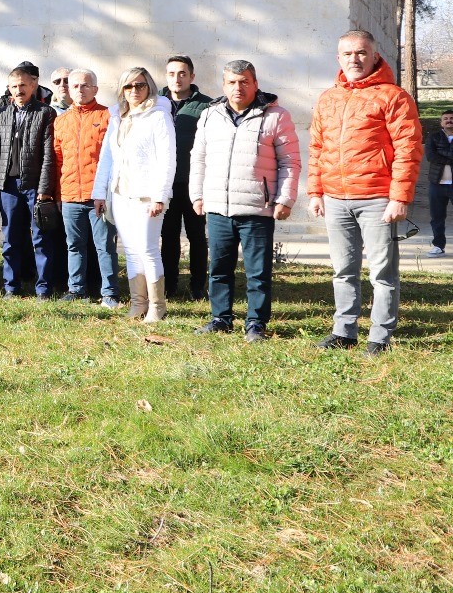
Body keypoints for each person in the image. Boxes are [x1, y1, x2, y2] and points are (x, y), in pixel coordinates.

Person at [309, 29, 422, 354]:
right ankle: (344, 331)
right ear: (339, 58)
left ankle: (379, 337)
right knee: (343, 270)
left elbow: (408, 149)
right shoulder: (328, 98)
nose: (354, 59)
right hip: (335, 199)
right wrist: (316, 191)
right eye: (348, 54)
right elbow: (317, 146)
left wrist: (399, 197)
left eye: (361, 53)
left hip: (377, 200)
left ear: (374, 56)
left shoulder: (394, 97)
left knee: (382, 273)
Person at [189, 60, 301, 342]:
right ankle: (220, 317)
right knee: (219, 269)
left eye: (244, 82)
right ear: (223, 84)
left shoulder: (276, 116)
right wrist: (198, 195)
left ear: (255, 83)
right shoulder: (210, 114)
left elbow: (290, 162)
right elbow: (198, 157)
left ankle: (255, 323)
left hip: (256, 209)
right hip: (218, 208)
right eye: (231, 82)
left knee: (257, 272)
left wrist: (285, 199)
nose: (238, 88)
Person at [93, 67, 176, 323]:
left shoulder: (159, 115)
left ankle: (156, 306)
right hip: (120, 193)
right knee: (130, 250)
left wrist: (159, 196)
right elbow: (107, 157)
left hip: (146, 195)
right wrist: (99, 192)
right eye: (128, 86)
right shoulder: (118, 116)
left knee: (148, 249)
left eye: (139, 85)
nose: (134, 91)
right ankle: (137, 303)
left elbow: (168, 158)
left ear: (149, 86)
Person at [53, 68, 121, 307]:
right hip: (70, 194)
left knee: (104, 246)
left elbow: (113, 158)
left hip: (98, 196)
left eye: (84, 85)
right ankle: (76, 289)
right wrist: (58, 193)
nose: (79, 90)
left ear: (95, 89)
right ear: (68, 90)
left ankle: (110, 293)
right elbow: (58, 159)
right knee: (74, 245)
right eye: (74, 86)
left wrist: (105, 192)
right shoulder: (60, 121)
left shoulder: (108, 117)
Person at [0, 65, 58, 297]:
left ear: (33, 86)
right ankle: (11, 287)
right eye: (14, 86)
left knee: (41, 238)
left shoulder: (45, 113)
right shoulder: (1, 114)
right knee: (10, 239)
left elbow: (49, 155)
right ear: (9, 88)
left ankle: (44, 288)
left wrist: (45, 188)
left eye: (23, 85)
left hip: (34, 186)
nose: (19, 90)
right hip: (8, 187)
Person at [161, 55, 212, 300]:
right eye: (171, 73)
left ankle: (197, 286)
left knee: (196, 237)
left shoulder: (206, 106)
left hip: (194, 184)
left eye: (182, 73)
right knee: (168, 237)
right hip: (165, 185)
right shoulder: (156, 102)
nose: (177, 78)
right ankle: (169, 284)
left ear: (192, 76)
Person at [425, 111, 453, 257]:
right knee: (437, 217)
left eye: (452, 118)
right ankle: (438, 246)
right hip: (437, 184)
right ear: (441, 122)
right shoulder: (433, 137)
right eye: (446, 119)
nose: (449, 121)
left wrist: (441, 154)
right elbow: (430, 156)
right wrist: (449, 159)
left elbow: (437, 155)